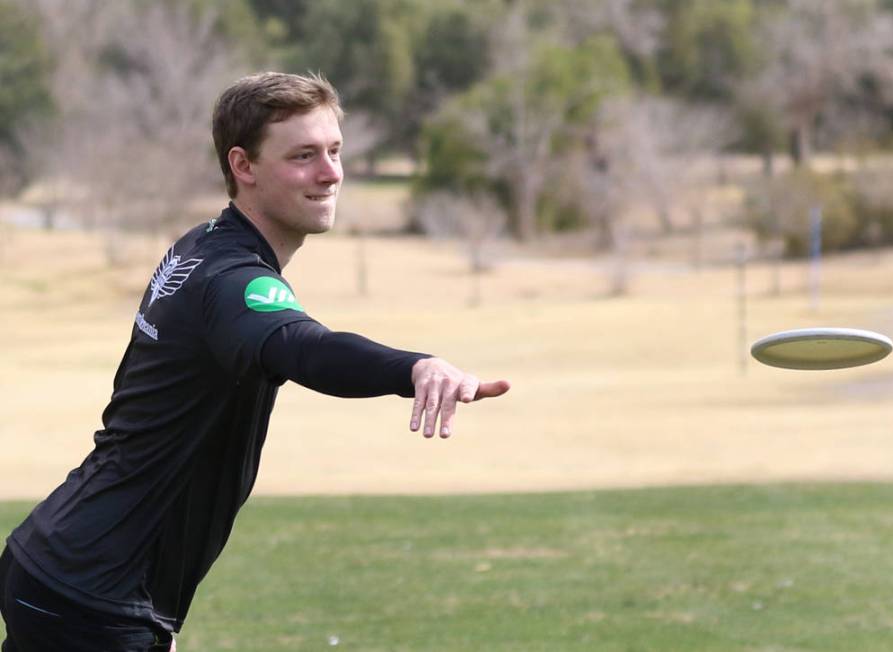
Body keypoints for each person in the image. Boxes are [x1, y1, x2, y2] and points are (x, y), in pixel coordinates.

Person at [0, 71, 510, 651]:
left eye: (335, 151)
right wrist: (413, 368)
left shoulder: (201, 244)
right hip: (94, 595)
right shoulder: (233, 279)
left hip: (65, 568)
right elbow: (305, 348)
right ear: (244, 166)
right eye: (303, 156)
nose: (330, 172)